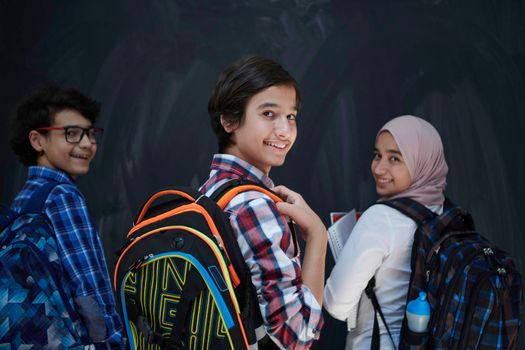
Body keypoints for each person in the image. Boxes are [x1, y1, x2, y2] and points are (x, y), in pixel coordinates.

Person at [200, 55, 327, 349]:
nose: (284, 131)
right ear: (229, 120)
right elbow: (296, 336)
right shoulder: (254, 206)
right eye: (269, 114)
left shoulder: (209, 192)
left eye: (291, 116)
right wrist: (318, 236)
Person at [10, 85, 124, 349]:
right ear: (37, 140)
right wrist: (113, 342)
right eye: (71, 134)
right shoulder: (63, 197)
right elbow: (90, 291)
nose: (87, 144)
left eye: (90, 133)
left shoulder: (25, 198)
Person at [323, 115, 448, 349]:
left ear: (420, 161)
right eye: (377, 155)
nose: (379, 168)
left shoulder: (381, 218)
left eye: (395, 158)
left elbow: (336, 305)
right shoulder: (443, 213)